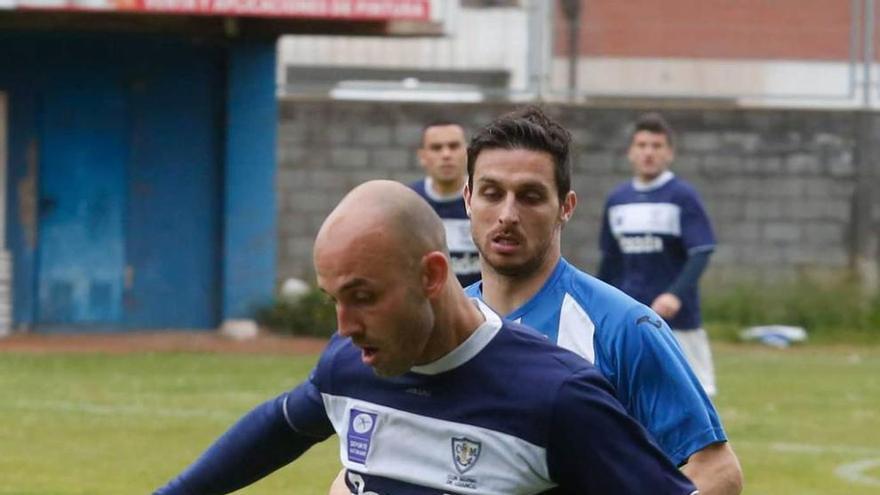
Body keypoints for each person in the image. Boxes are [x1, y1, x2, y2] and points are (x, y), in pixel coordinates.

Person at [154, 180, 699, 495]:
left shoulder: (558, 397)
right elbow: (283, 425)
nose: (344, 326)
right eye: (334, 299)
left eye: (364, 296)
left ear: (432, 276)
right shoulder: (349, 366)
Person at [461, 107, 743, 495]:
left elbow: (716, 471)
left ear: (566, 207)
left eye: (530, 196)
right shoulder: (440, 326)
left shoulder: (624, 328)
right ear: (468, 200)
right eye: (492, 194)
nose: (508, 214)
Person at [598, 112, 718, 397]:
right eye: (641, 145)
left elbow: (701, 251)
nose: (648, 152)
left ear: (670, 153)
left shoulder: (682, 196)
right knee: (627, 395)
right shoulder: (617, 200)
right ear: (630, 152)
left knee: (696, 395)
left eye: (656, 145)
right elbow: (611, 261)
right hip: (630, 317)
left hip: (678, 320)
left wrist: (674, 294)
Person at [410, 120, 481, 286]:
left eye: (454, 146)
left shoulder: (487, 197)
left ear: (467, 152)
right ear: (422, 156)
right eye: (436, 148)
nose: (446, 154)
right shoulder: (409, 203)